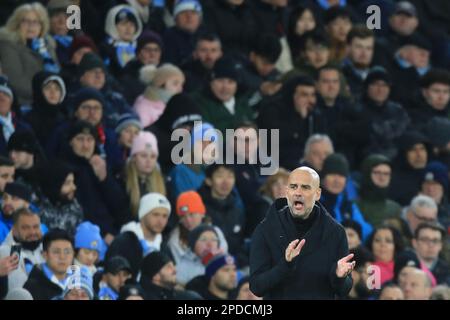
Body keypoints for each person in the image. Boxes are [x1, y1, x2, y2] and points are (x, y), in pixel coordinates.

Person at [249, 166, 355, 299]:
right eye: (293, 187)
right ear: (287, 192)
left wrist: (340, 277)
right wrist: (285, 265)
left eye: (305, 187)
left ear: (317, 194)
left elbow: (344, 290)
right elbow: (256, 287)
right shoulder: (266, 229)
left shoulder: (335, 232)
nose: (298, 192)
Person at [0, 2, 59, 105]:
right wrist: (45, 94)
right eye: (26, 21)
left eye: (36, 22)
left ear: (42, 26)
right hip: (23, 103)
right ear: (17, 24)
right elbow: (16, 81)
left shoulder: (47, 46)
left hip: (49, 102)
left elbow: (57, 78)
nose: (31, 26)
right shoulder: (8, 45)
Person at [319, 153, 373, 240]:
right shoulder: (313, 203)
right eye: (332, 174)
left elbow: (366, 232)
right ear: (323, 178)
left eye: (341, 176)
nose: (336, 180)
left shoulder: (348, 205)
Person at [120, 131, 166, 219]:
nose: (149, 161)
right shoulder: (122, 181)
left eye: (153, 156)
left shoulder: (164, 181)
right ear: (134, 157)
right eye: (144, 156)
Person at [0, 208, 45, 293]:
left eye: (36, 227)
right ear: (14, 230)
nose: (32, 232)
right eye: (25, 228)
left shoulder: (47, 247)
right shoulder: (6, 252)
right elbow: (20, 290)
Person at [23, 228, 74, 300]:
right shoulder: (32, 287)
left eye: (67, 252)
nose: (62, 257)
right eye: (56, 252)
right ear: (45, 255)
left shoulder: (81, 282)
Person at [38, 160, 83, 237]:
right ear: (55, 186)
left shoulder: (75, 208)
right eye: (67, 183)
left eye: (73, 182)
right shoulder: (37, 209)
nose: (74, 187)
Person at [356, 154, 402, 228]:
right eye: (377, 173)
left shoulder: (395, 208)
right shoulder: (354, 206)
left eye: (386, 174)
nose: (382, 177)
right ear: (367, 174)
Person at [134, 63, 185, 128]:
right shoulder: (143, 109)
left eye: (181, 84)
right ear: (160, 85)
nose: (180, 89)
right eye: (175, 84)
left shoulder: (171, 105)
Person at [102, 5, 143, 77]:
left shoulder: (141, 47)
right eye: (123, 24)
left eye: (132, 25)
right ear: (113, 25)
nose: (128, 28)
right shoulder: (105, 49)